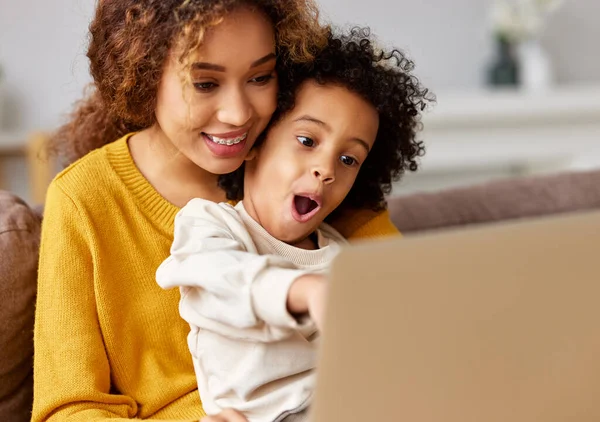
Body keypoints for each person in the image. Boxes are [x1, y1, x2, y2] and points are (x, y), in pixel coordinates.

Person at [32, 1, 414, 421]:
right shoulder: (85, 199)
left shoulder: (324, 180)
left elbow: (419, 331)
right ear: (144, 74)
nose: (238, 114)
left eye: (260, 77)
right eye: (204, 83)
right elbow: (67, 409)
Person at [156, 28, 432, 422]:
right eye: (307, 140)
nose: (326, 169)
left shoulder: (340, 256)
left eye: (349, 159)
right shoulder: (210, 226)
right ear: (255, 142)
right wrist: (302, 290)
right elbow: (221, 279)